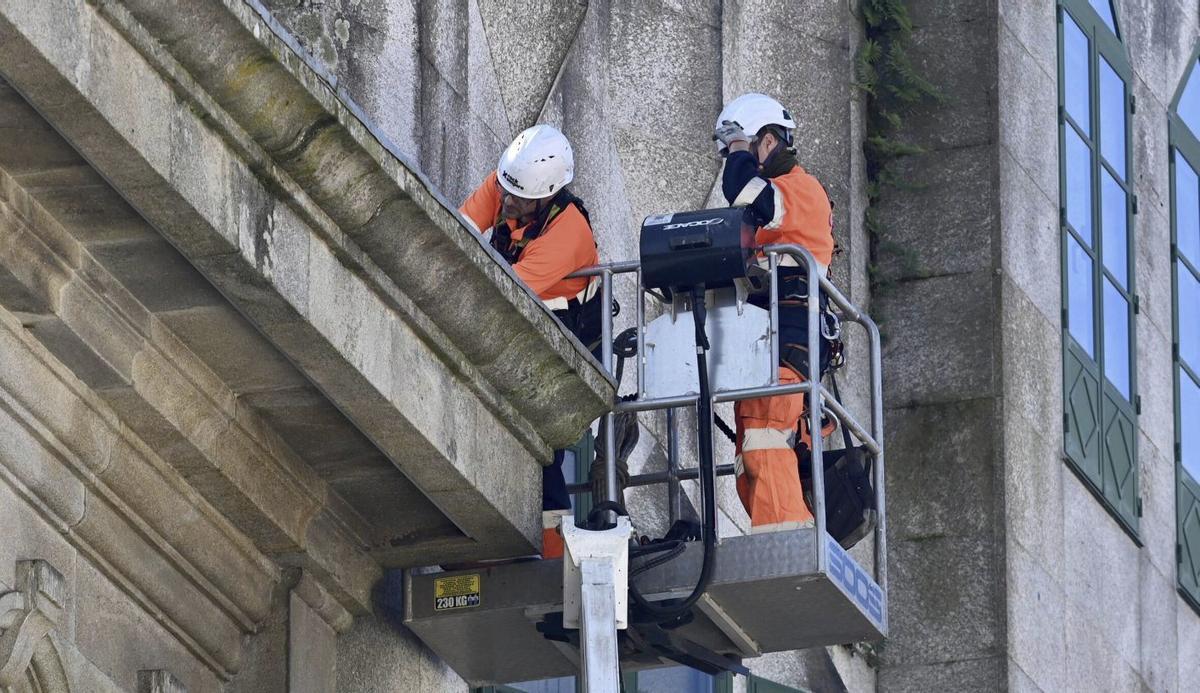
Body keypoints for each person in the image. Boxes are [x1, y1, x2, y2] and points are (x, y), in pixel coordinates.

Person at [459, 124, 600, 557]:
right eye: (504, 189)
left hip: (564, 352)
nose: (506, 201)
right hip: (522, 336)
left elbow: (506, 292)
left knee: (545, 455)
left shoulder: (568, 234)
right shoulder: (509, 181)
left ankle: (555, 556)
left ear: (546, 197)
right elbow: (458, 233)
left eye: (518, 198)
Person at [712, 93, 836, 533]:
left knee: (765, 437)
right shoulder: (782, 197)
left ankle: (790, 538)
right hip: (767, 338)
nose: (736, 159)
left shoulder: (802, 190)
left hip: (789, 332)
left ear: (768, 141)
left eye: (743, 148)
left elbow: (745, 193)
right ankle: (775, 529)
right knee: (752, 446)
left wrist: (739, 151)